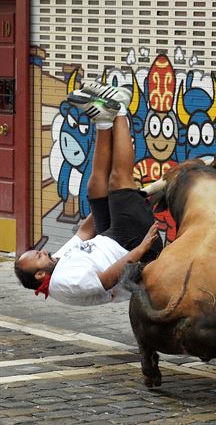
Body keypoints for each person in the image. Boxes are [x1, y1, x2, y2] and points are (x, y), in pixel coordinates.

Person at [14, 82, 162, 306]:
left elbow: (84, 232)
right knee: (118, 180)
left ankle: (103, 121)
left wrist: (110, 203)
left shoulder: (56, 262)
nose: (42, 251)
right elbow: (109, 278)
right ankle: (121, 107)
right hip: (131, 247)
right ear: (39, 275)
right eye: (38, 256)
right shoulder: (65, 283)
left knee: (95, 189)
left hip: (110, 236)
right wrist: (142, 247)